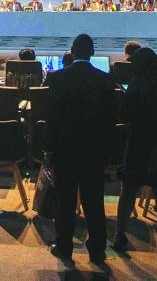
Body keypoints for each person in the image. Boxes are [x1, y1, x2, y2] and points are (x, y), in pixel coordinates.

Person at [45, 33, 117, 264]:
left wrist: (49, 149)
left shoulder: (57, 79)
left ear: (72, 52)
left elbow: (51, 119)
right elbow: (111, 120)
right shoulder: (105, 80)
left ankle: (64, 246)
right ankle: (97, 249)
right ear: (92, 53)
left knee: (65, 201)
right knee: (94, 201)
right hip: (95, 150)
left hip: (65, 149)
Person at [113, 47, 157, 259]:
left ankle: (119, 235)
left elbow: (123, 114)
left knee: (127, 192)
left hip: (139, 145)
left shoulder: (136, 85)